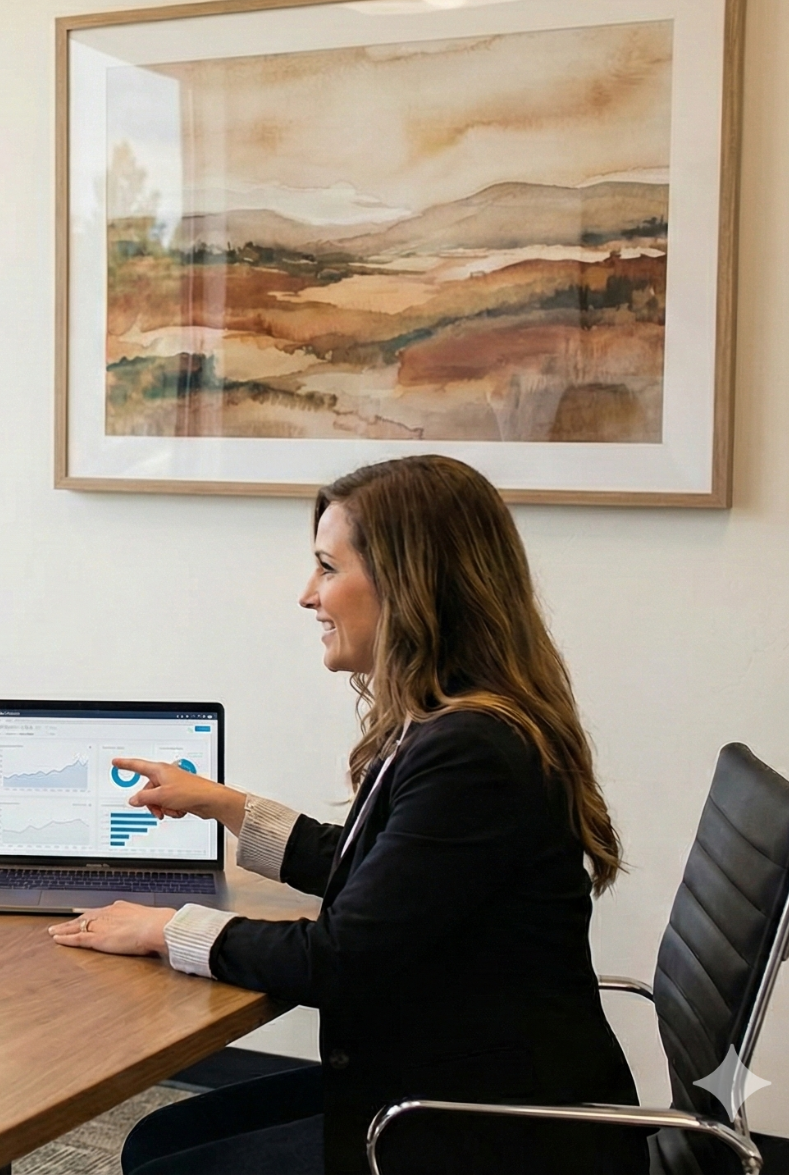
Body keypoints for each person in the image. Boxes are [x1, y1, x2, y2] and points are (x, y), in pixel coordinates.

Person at [49, 455, 642, 1175]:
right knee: (153, 1141)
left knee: (163, 1166)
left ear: (409, 583)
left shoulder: (473, 752)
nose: (308, 595)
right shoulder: (454, 716)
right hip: (450, 1069)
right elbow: (379, 873)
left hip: (486, 1126)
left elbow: (340, 960)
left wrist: (163, 929)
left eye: (327, 567)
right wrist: (222, 804)